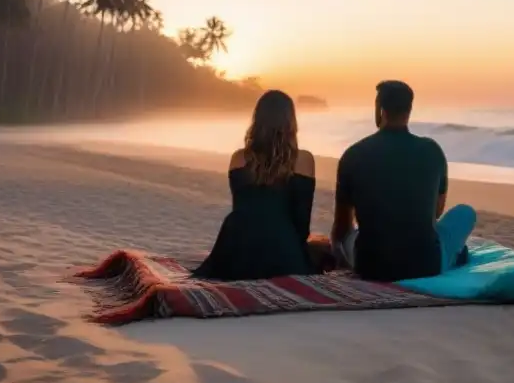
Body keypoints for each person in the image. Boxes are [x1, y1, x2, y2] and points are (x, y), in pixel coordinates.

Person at [331, 80, 476, 282]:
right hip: (426, 265)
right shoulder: (432, 151)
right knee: (465, 213)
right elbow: (434, 213)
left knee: (352, 235)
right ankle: (452, 255)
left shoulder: (353, 155)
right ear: (409, 110)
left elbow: (341, 227)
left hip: (370, 267)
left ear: (379, 109)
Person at [193, 90, 316, 280]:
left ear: (257, 120)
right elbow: (301, 222)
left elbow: (241, 209)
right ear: (291, 121)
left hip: (234, 246)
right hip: (280, 245)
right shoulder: (304, 160)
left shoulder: (239, 158)